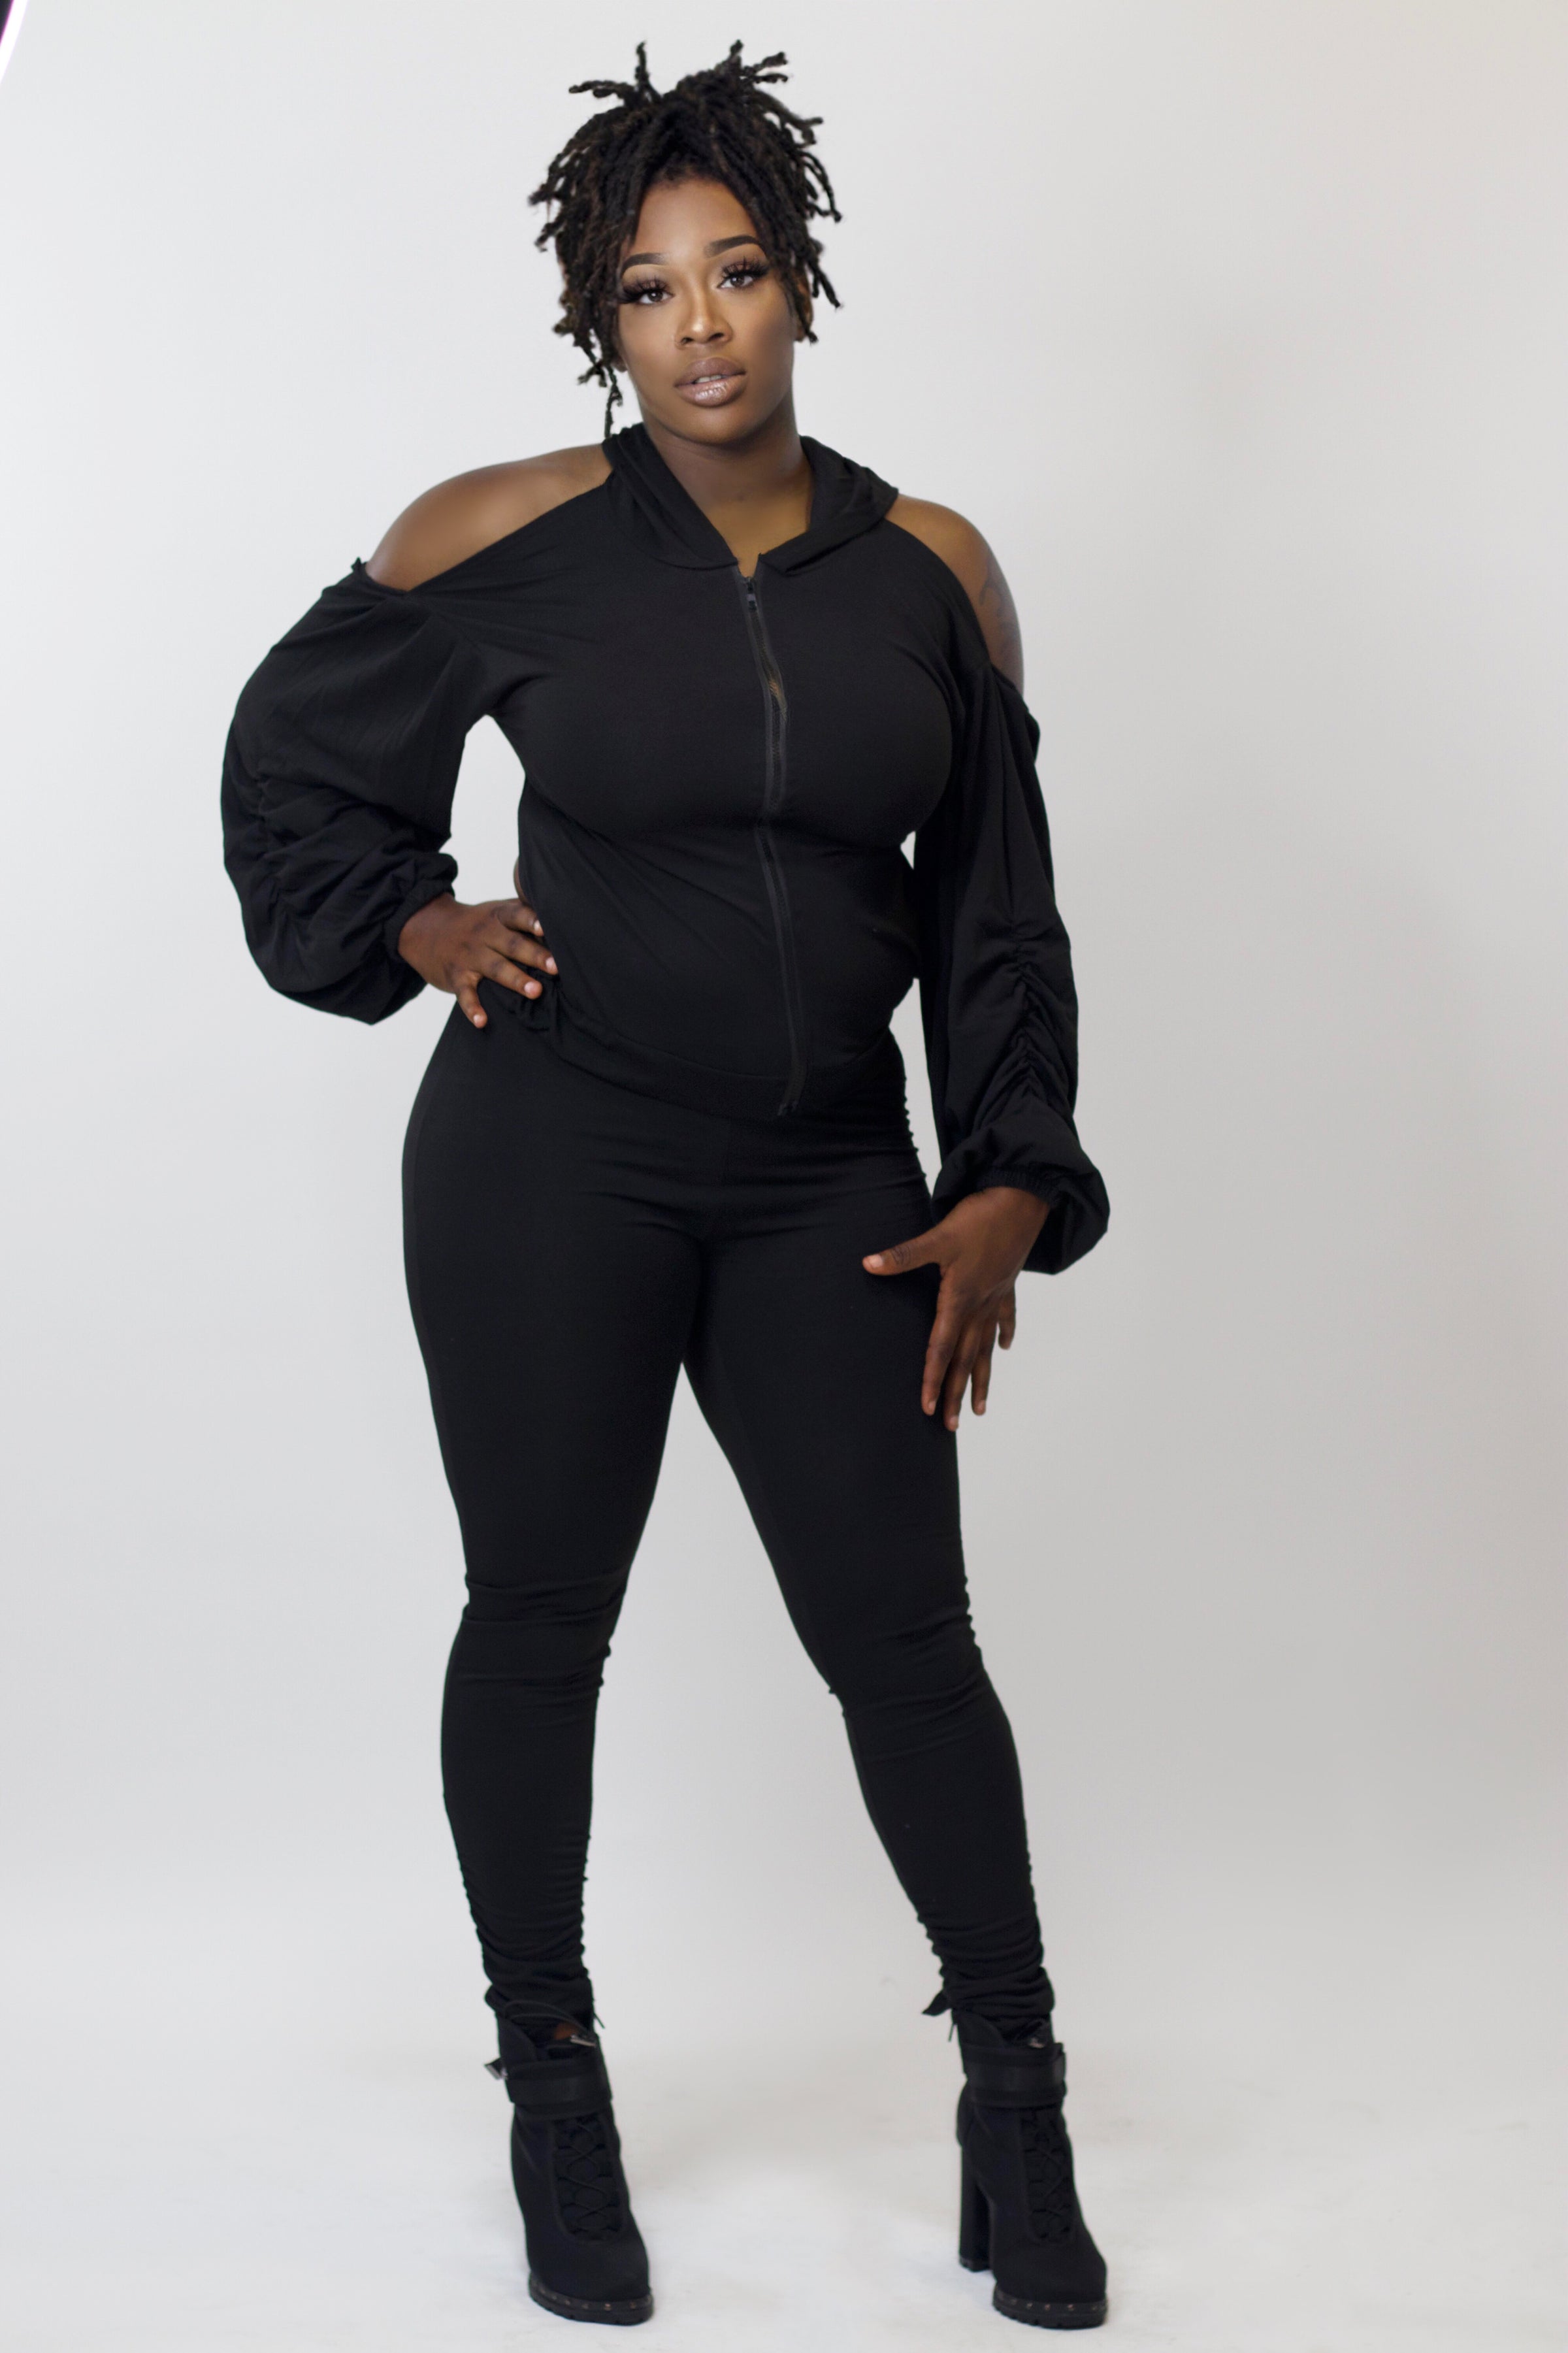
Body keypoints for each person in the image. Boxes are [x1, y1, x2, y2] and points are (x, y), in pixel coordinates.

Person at [221, 41, 1111, 2334]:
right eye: (646, 288)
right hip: (555, 1156)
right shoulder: (497, 534)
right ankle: (555, 2089)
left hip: (833, 1180)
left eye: (736, 271)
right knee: (541, 1618)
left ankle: (1017, 2097)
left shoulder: (931, 571)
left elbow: (998, 906)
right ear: (597, 320)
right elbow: (292, 765)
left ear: (802, 281)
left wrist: (1013, 1174)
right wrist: (412, 918)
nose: (699, 325)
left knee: (907, 1641)